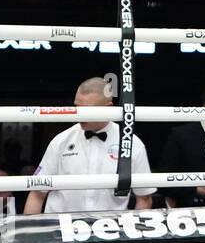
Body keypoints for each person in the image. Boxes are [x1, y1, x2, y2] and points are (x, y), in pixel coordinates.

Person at [23, 77, 156, 213]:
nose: (79, 115)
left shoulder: (132, 144)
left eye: (86, 110)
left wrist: (130, 232)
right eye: (77, 108)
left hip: (110, 229)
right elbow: (37, 195)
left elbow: (144, 199)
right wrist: (27, 232)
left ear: (108, 108)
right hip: (60, 229)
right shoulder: (61, 141)